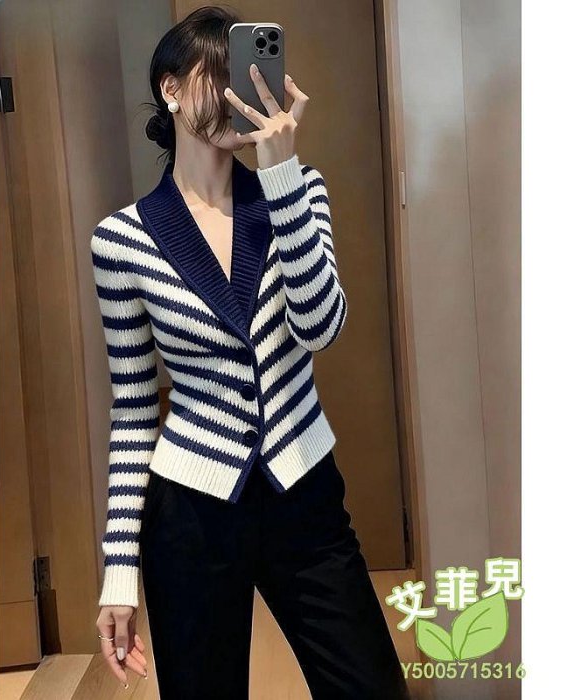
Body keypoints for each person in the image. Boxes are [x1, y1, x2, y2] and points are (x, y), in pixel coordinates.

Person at [92, 6, 410, 699]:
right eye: (219, 75)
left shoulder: (298, 192)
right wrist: (118, 571)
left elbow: (321, 328)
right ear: (172, 89)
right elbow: (133, 411)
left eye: (247, 73)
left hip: (305, 493)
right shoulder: (122, 241)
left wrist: (281, 174)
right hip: (192, 513)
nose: (240, 93)